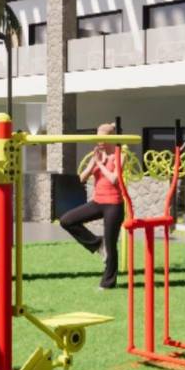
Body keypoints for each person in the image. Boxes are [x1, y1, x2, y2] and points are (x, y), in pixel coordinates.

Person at [58, 123, 124, 291]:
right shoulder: (96, 155)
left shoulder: (120, 155)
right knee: (66, 221)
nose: (99, 141)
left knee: (111, 246)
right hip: (97, 202)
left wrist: (100, 164)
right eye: (97, 137)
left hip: (114, 204)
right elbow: (82, 178)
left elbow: (114, 179)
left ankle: (108, 284)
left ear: (111, 138)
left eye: (102, 138)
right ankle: (97, 243)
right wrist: (94, 162)